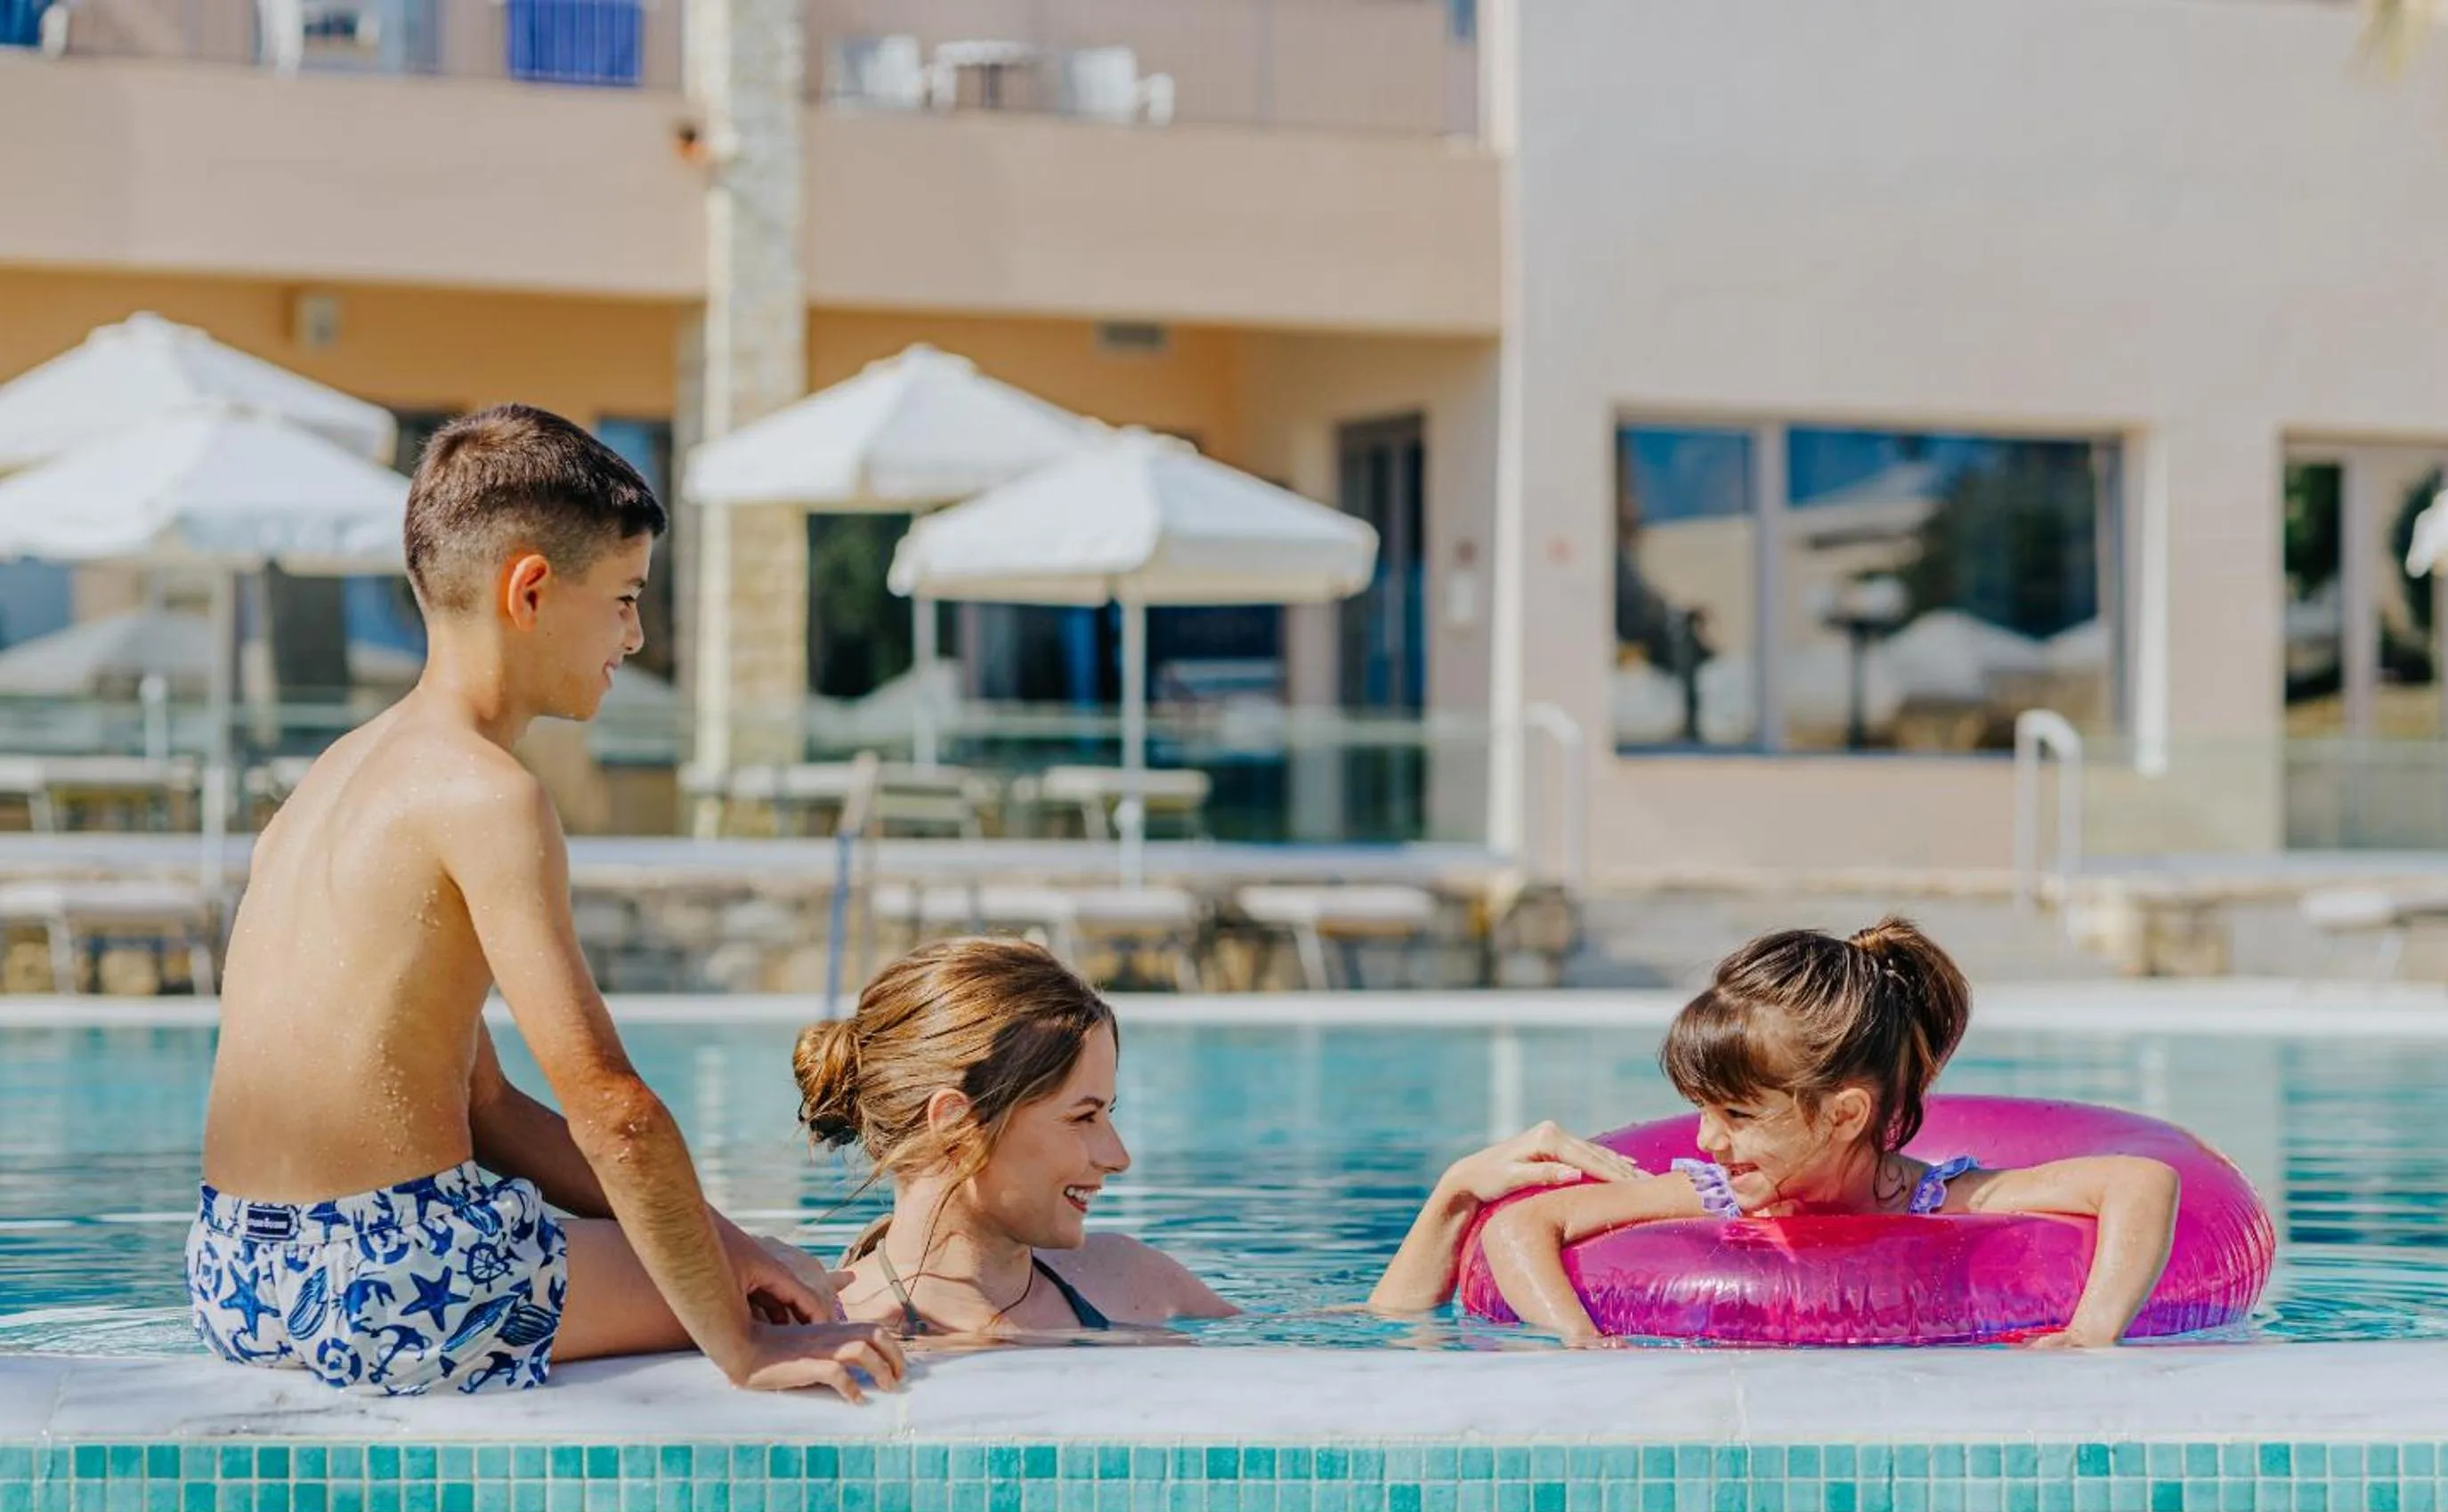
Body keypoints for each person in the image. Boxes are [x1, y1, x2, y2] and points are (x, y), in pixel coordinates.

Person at [187, 405, 904, 1402]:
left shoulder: (331, 780)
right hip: (395, 1283)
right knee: (818, 1296)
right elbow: (611, 1108)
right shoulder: (487, 794)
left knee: (736, 1256)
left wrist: (725, 1240)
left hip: (237, 1275)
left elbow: (486, 1108)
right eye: (622, 597)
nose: (635, 634)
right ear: (530, 589)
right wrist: (741, 1345)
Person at [798, 935, 1643, 1339]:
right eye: (1084, 1118)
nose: (1117, 1156)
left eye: (1111, 1113)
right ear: (957, 1125)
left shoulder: (1129, 1279)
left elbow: (1354, 1340)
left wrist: (1456, 1194)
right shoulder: (828, 1321)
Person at [1461, 918, 2181, 1348]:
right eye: (1704, 1110)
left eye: (1738, 1116)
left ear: (1844, 1115)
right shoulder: (1720, 1196)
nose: (1708, 1140)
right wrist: (1575, 1336)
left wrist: (2092, 1331)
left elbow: (2143, 1181)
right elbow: (1521, 1228)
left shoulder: (1933, 1198)